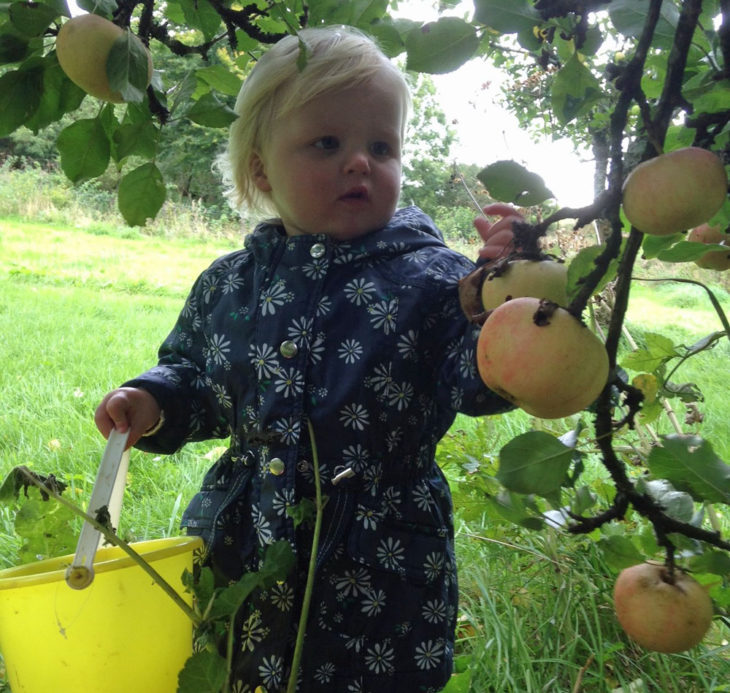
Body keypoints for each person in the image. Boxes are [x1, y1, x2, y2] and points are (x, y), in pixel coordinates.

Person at [95, 26, 515, 693]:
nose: (359, 163)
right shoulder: (229, 284)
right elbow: (199, 380)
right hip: (245, 544)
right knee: (240, 668)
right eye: (328, 143)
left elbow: (484, 381)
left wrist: (504, 294)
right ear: (262, 169)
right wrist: (154, 400)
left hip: (382, 564)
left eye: (382, 146)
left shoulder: (438, 281)